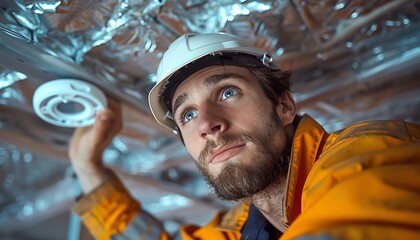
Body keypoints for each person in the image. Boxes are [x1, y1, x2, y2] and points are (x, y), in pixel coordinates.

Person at [69, 32, 420, 240]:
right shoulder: (241, 226)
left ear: (283, 106)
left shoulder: (372, 151)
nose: (206, 124)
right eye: (187, 114)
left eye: (227, 92)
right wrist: (88, 168)